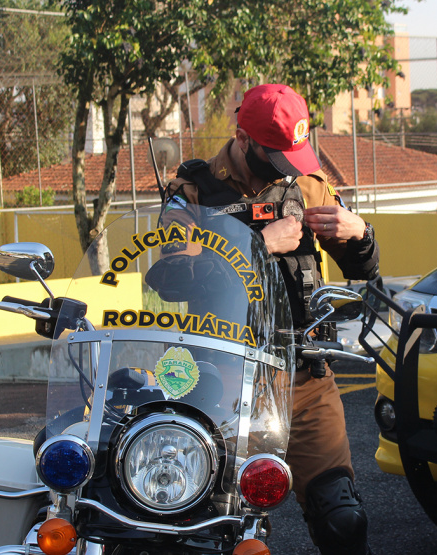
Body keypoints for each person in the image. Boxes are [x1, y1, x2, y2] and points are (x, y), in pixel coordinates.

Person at [150, 84, 378, 555]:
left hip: (303, 376)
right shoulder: (192, 191)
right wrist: (257, 245)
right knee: (205, 520)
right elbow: (172, 278)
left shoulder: (309, 183)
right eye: (278, 157)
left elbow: (363, 269)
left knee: (343, 519)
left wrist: (360, 234)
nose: (289, 167)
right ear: (241, 138)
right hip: (220, 379)